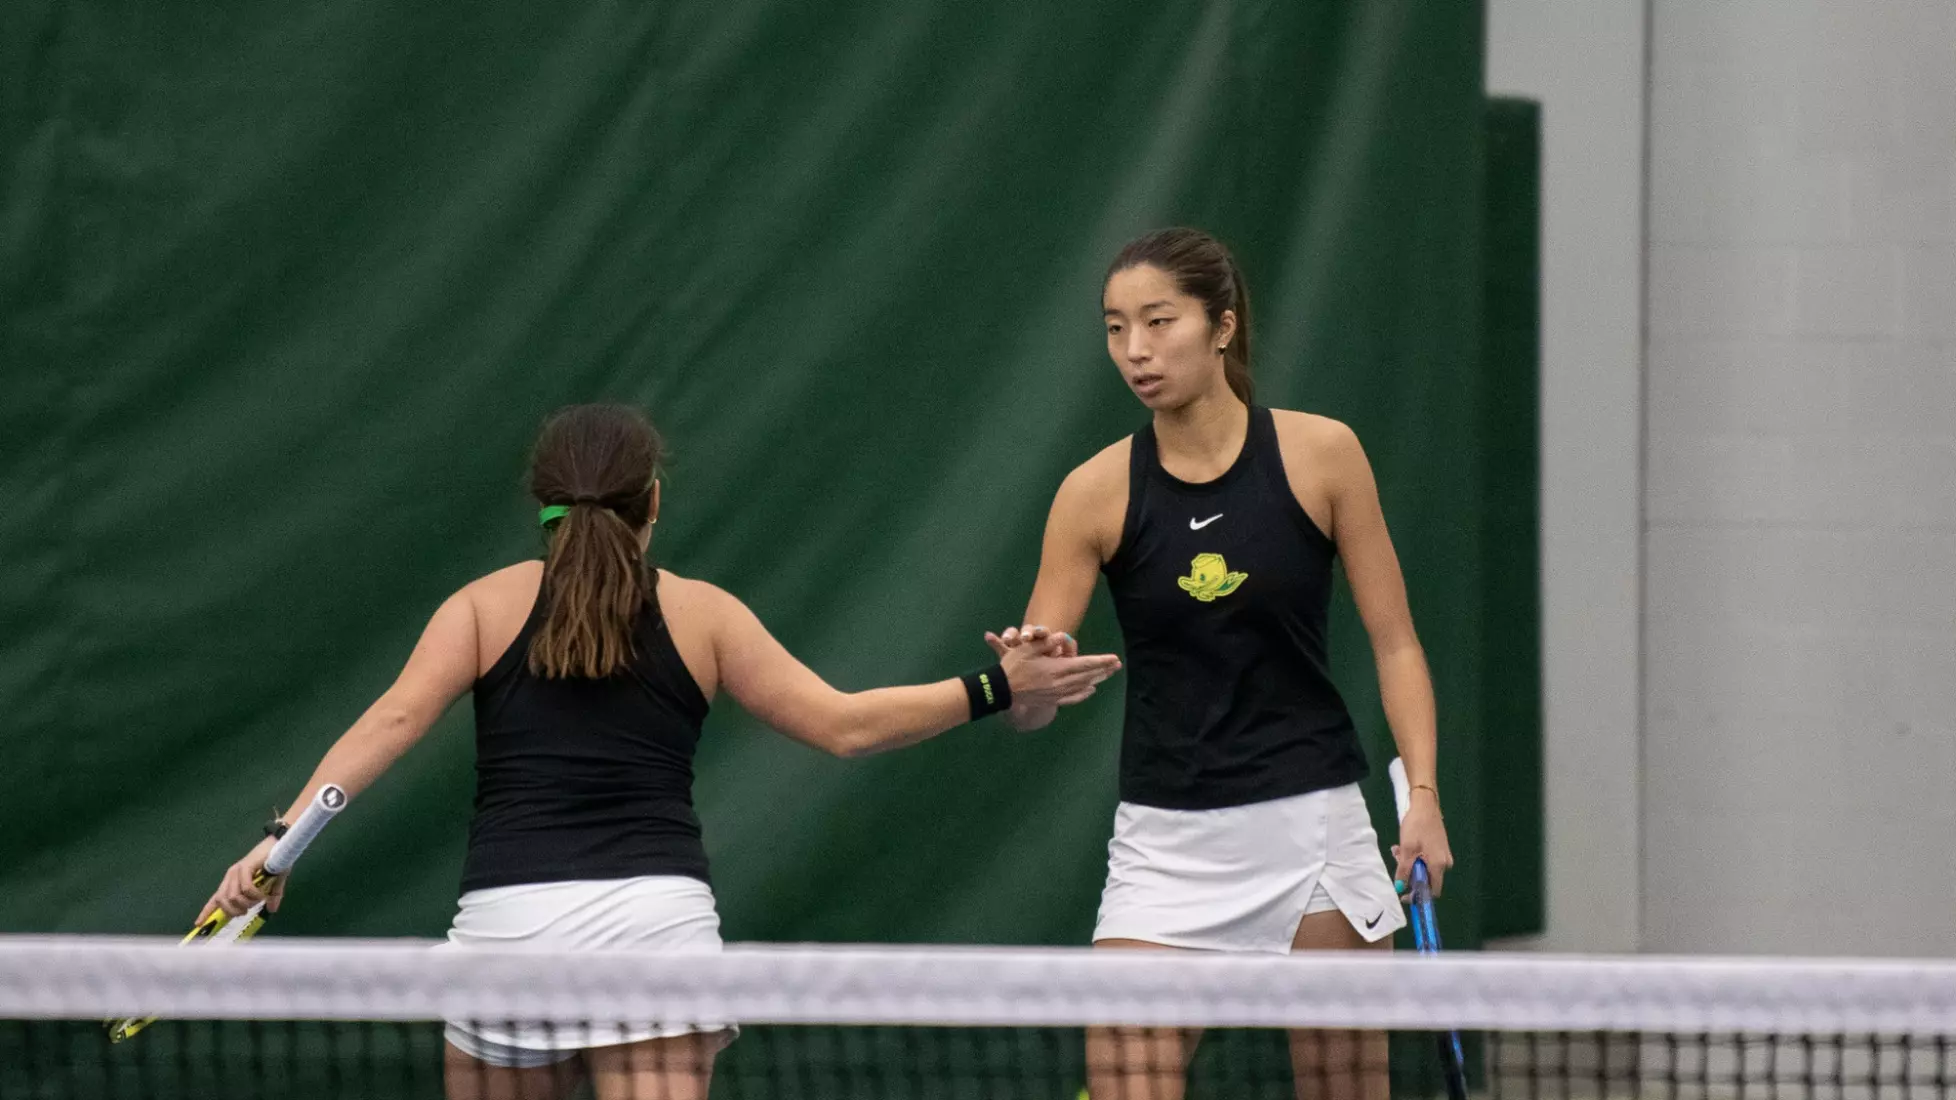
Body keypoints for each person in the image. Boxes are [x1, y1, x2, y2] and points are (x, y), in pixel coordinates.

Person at [200, 403, 1122, 1100]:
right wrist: (999, 686)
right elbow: (845, 726)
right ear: (653, 501)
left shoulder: (481, 606)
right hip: (655, 935)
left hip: (507, 938)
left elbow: (393, 722)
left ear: (544, 505)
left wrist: (278, 847)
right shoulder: (704, 613)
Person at [988, 227, 1452, 1100]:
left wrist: (1422, 797)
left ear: (1224, 326)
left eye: (1159, 322)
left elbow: (1397, 642)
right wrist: (1027, 685)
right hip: (1166, 847)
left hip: (1314, 830)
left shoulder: (1324, 455)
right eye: (1116, 327)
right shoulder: (1093, 493)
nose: (1135, 350)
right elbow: (1033, 703)